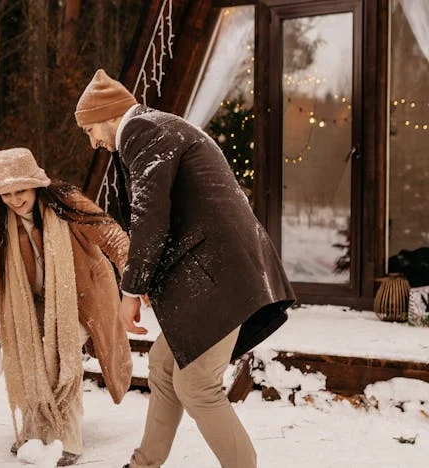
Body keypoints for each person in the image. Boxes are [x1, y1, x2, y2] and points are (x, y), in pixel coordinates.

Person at [75, 69, 296, 468]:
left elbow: (150, 216)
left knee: (196, 384)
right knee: (164, 365)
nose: (93, 142)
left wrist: (131, 289)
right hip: (220, 274)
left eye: (90, 130)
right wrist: (148, 277)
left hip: (221, 277)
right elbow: (169, 217)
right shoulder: (158, 128)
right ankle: (144, 463)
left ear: (109, 116)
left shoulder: (142, 131)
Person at [0, 147, 133, 466]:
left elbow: (113, 236)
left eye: (21, 190)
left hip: (83, 298)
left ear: (35, 184)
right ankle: (35, 430)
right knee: (30, 356)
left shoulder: (66, 203)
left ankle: (66, 436)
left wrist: (135, 280)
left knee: (62, 357)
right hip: (35, 304)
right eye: (6, 194)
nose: (14, 200)